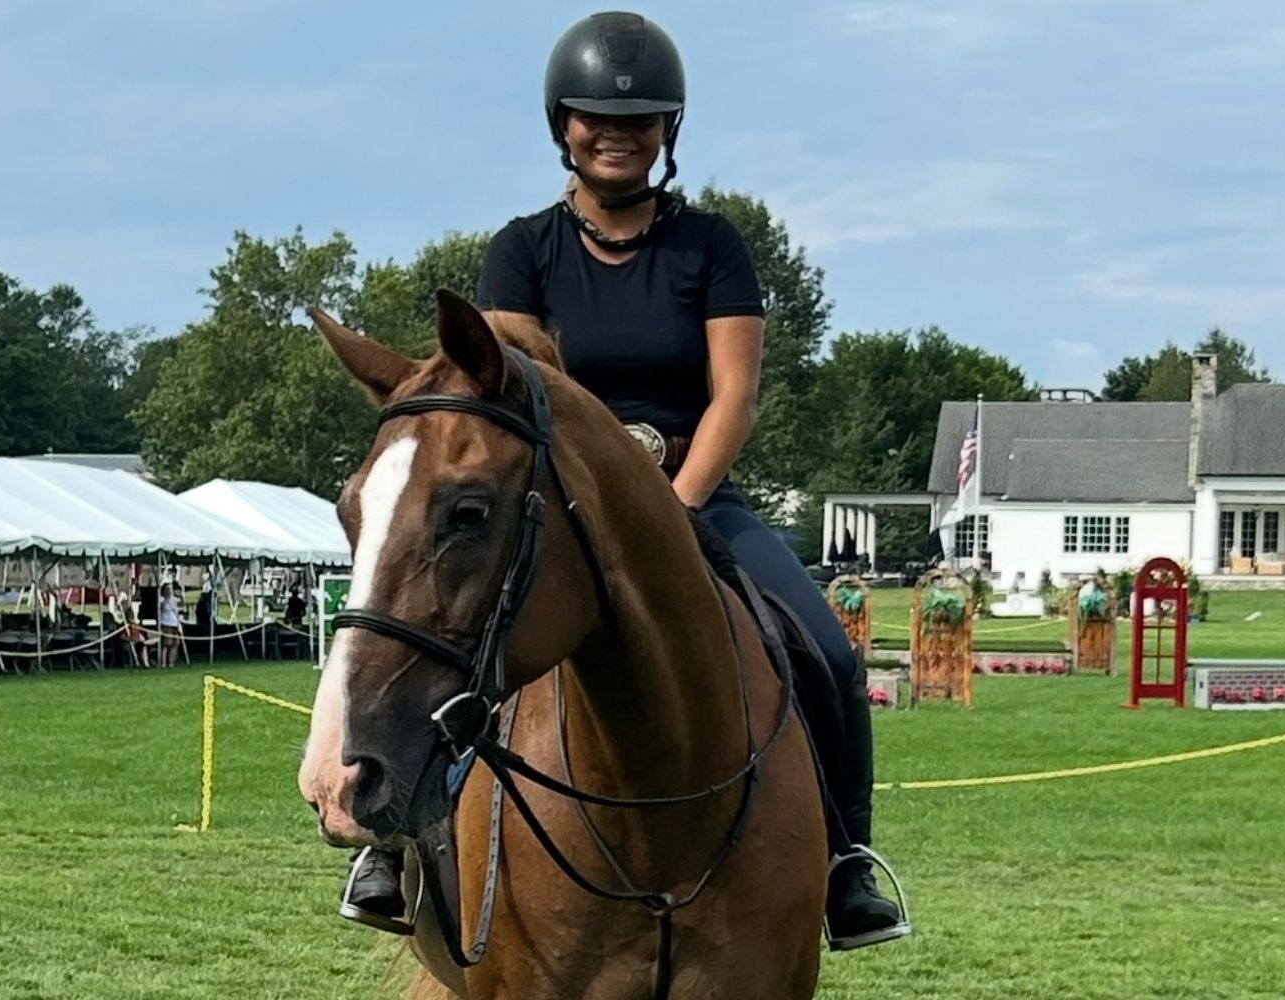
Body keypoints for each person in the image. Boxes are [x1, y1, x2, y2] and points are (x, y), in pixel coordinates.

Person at [343, 12, 903, 951]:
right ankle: (400, 848)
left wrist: (672, 507)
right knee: (465, 642)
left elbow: (735, 396)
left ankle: (847, 862)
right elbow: (502, 386)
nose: (617, 133)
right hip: (557, 509)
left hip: (697, 498)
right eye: (595, 117)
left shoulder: (713, 249)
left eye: (640, 119)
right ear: (561, 123)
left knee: (827, 652)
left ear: (667, 132)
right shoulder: (523, 251)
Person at [158, 583, 182, 668]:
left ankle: (171, 662)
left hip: (174, 623)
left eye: (170, 589)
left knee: (175, 644)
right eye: (167, 589)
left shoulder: (175, 600)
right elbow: (162, 609)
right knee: (166, 644)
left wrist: (181, 595)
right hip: (166, 623)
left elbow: (182, 604)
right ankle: (163, 662)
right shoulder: (162, 601)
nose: (169, 591)